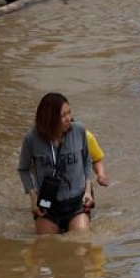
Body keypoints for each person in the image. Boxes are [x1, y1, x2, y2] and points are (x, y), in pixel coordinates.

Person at [18, 92, 94, 235]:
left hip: (76, 201)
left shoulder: (79, 130)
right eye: (63, 115)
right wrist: (33, 198)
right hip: (47, 203)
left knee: (81, 241)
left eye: (69, 112)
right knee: (46, 244)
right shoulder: (31, 139)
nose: (68, 118)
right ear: (49, 118)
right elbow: (23, 169)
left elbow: (87, 161)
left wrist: (88, 191)